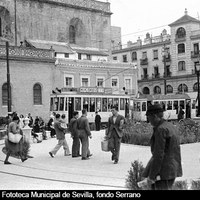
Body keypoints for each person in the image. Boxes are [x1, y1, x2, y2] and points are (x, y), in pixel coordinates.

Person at [142, 104, 183, 190]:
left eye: (149, 118)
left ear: (155, 116)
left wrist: (152, 176)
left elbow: (158, 155)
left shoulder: (161, 129)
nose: (148, 121)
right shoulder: (170, 126)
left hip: (163, 172)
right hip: (172, 169)